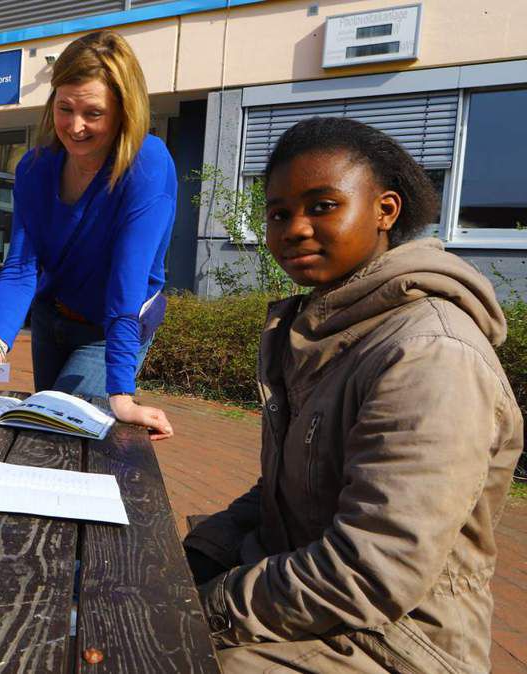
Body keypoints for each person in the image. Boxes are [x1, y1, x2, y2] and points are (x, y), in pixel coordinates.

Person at [183, 117, 522, 672]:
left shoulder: (429, 354)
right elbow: (286, 490)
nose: (293, 228)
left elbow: (375, 567)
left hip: (395, 641)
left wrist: (206, 605)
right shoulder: (325, 327)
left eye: (322, 206)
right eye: (278, 213)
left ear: (385, 211)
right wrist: (196, 557)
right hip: (309, 598)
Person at [0, 31, 177, 439]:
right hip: (51, 319)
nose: (75, 127)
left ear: (124, 111)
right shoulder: (35, 167)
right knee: (47, 429)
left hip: (109, 328)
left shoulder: (147, 164)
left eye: (93, 113)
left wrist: (122, 394)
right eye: (65, 108)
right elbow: (22, 265)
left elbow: (127, 283)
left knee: (62, 434)